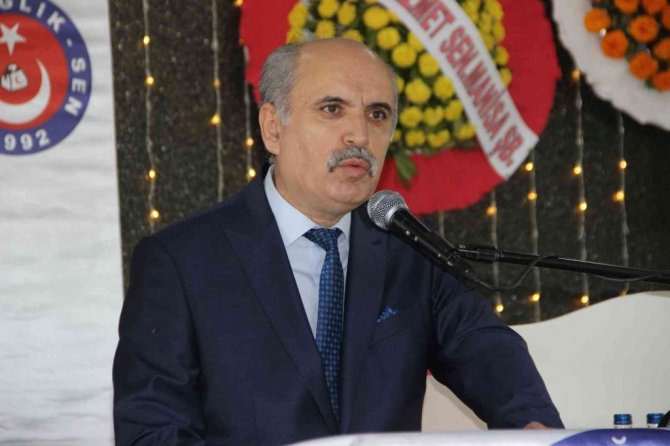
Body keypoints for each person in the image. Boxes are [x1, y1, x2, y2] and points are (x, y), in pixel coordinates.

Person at [113, 38, 563, 445]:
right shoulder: (181, 261)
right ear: (273, 127)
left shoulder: (411, 250)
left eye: (377, 114)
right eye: (332, 109)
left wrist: (539, 432)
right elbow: (152, 431)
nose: (360, 136)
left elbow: (488, 354)